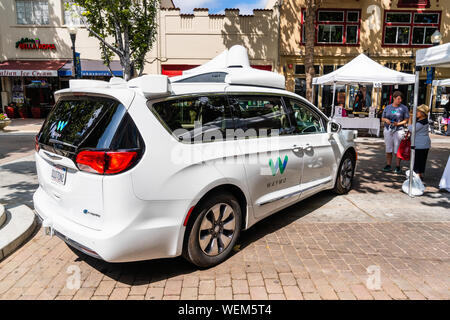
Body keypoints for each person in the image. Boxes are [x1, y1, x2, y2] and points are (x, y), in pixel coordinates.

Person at [381, 91, 410, 174]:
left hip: (399, 130)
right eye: (398, 99)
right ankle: (388, 165)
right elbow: (382, 118)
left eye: (401, 99)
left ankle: (397, 166)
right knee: (388, 147)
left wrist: (398, 123)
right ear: (394, 98)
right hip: (388, 129)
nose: (400, 100)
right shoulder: (388, 107)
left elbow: (406, 120)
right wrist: (386, 120)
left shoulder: (404, 108)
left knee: (398, 149)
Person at [408, 104, 431, 180]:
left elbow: (411, 129)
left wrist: (410, 119)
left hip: (420, 144)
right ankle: (419, 175)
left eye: (418, 111)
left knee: (418, 161)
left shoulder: (422, 122)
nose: (416, 112)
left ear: (423, 113)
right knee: (421, 160)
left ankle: (417, 176)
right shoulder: (422, 120)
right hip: (423, 144)